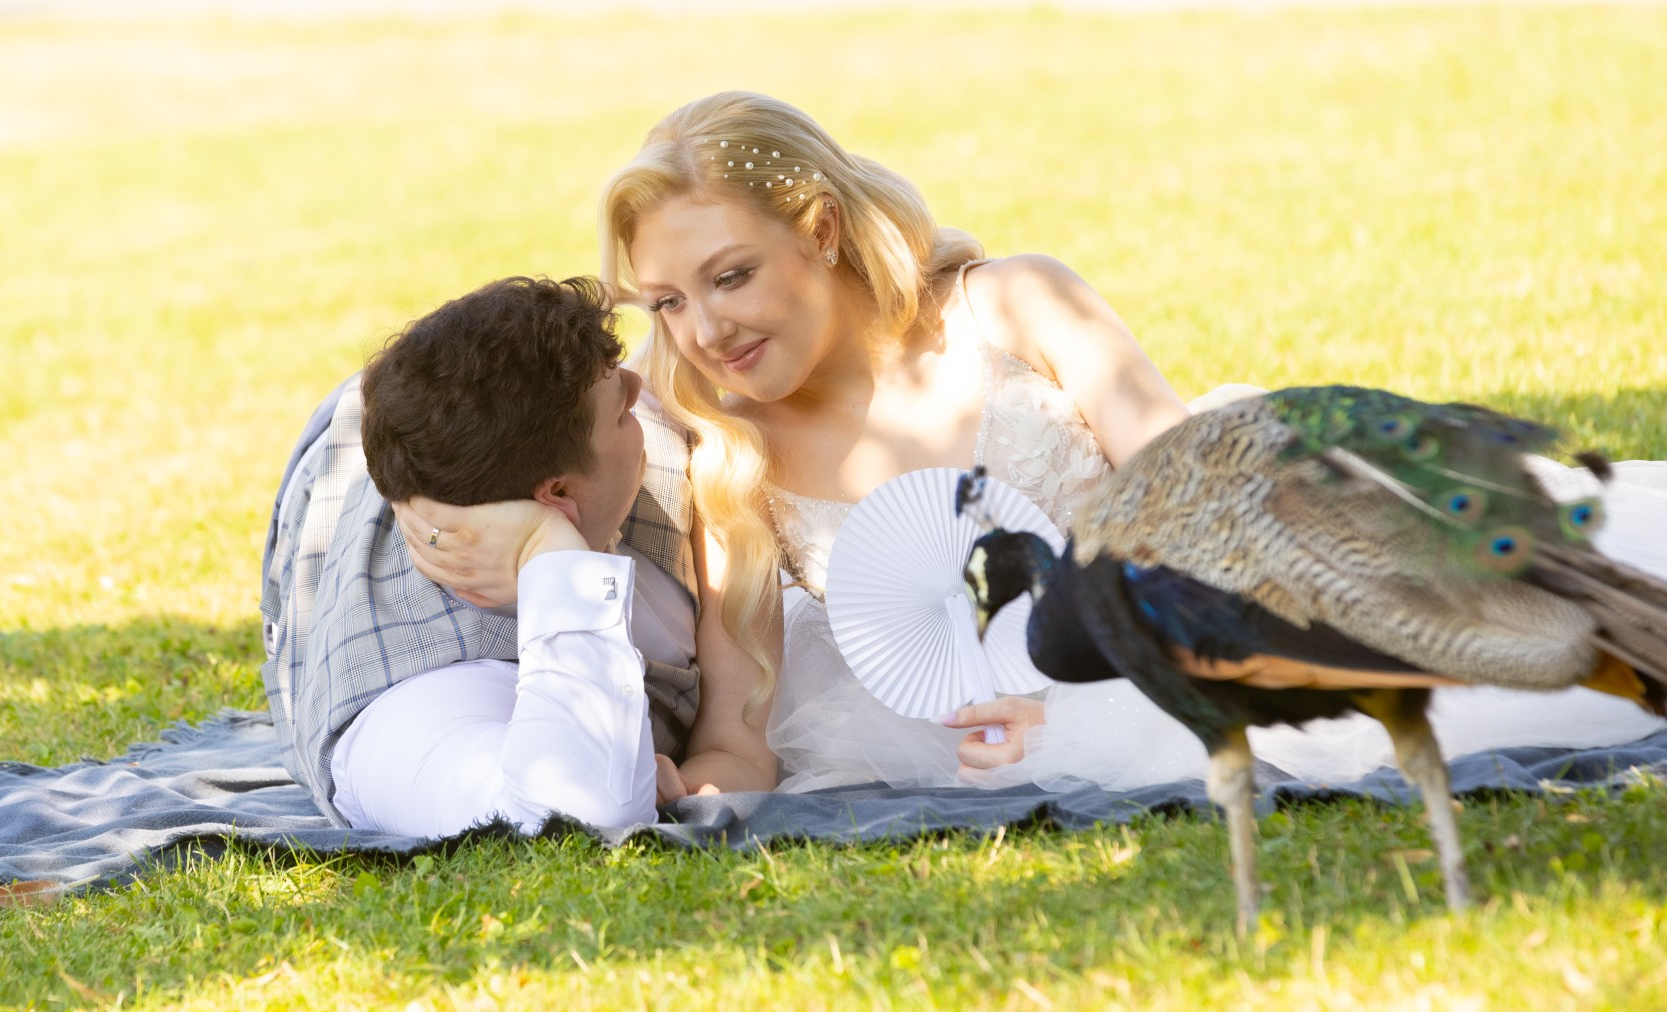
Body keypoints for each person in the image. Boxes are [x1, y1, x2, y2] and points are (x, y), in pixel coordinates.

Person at [401, 93, 1667, 796]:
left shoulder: (1016, 306)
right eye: (670, 302)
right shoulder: (722, 442)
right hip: (976, 720)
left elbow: (1201, 509)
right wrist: (703, 787)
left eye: (730, 277)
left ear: (822, 231)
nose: (705, 331)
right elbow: (738, 717)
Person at [259, 275, 771, 840]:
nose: (636, 383)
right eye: (620, 411)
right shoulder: (406, 708)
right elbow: (573, 815)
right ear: (556, 496)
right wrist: (544, 549)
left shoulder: (662, 459)